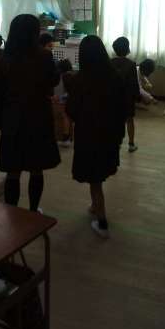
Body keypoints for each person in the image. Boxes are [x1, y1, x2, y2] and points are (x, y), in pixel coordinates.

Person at [0, 14, 60, 212]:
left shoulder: (4, 59)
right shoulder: (44, 57)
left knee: (13, 171)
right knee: (36, 169)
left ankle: (12, 213)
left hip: (12, 119)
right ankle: (33, 210)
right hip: (39, 117)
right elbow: (53, 81)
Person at [66, 35, 126, 238]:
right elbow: (123, 108)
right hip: (111, 133)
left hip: (89, 134)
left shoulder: (79, 80)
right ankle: (94, 206)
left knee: (95, 179)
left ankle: (102, 223)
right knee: (99, 174)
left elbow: (72, 110)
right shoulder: (115, 77)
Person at [111, 36, 140, 152]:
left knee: (115, 120)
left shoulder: (110, 62)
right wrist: (137, 97)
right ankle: (131, 144)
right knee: (129, 120)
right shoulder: (131, 64)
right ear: (127, 49)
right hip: (127, 98)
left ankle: (116, 142)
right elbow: (134, 83)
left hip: (113, 97)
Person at [53, 59, 75, 148]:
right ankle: (67, 138)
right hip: (67, 101)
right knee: (67, 118)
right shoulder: (71, 75)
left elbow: (69, 92)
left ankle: (66, 138)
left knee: (65, 117)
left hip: (64, 101)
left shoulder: (66, 76)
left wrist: (60, 98)